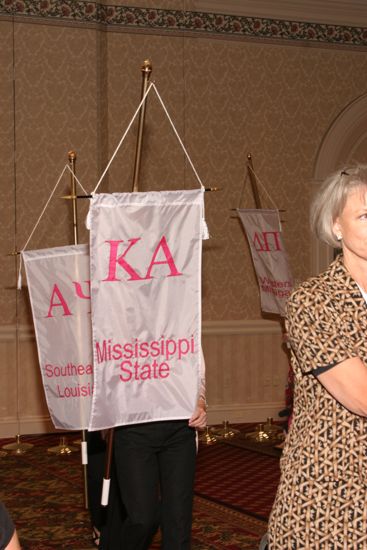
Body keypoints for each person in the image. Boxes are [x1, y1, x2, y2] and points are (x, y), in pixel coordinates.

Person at [268, 165, 367, 548]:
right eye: (364, 214)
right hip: (330, 491)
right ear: (335, 225)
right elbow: (361, 395)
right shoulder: (312, 302)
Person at [99, 348, 207, 550]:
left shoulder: (181, 318)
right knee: (143, 519)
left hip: (180, 428)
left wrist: (200, 402)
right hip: (132, 429)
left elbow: (195, 366)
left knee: (178, 521)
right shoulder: (117, 321)